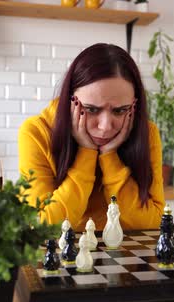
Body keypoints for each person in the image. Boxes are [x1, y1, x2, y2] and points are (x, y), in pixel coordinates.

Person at [18, 43, 165, 231]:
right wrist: (86, 153)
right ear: (70, 100)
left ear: (134, 105)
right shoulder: (37, 132)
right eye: (91, 109)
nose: (105, 127)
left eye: (120, 110)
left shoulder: (147, 133)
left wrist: (110, 156)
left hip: (124, 253)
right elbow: (41, 226)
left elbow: (153, 223)